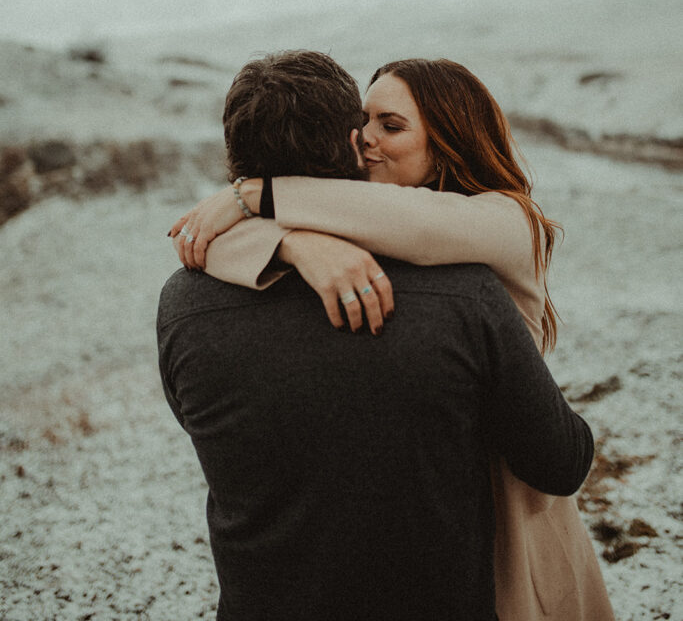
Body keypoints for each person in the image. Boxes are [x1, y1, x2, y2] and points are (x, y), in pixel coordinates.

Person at [170, 56, 615, 621]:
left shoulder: (506, 220)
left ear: (450, 140)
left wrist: (249, 198)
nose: (364, 141)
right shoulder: (352, 224)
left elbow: (423, 225)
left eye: (392, 125)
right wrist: (293, 246)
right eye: (364, 122)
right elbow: (199, 246)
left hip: (519, 523)